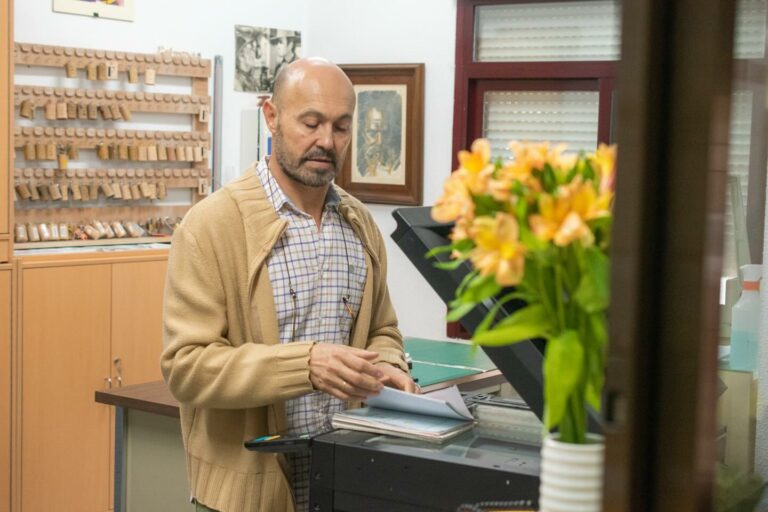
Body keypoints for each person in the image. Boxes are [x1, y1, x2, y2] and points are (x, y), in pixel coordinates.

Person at [161, 57, 417, 512]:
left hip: (342, 486)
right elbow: (187, 366)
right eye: (311, 123)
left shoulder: (358, 225)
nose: (326, 141)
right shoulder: (212, 225)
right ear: (271, 116)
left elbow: (383, 329)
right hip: (244, 499)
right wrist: (307, 365)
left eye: (341, 127)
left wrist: (390, 364)